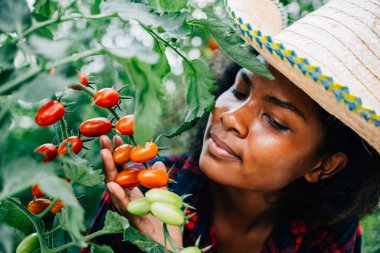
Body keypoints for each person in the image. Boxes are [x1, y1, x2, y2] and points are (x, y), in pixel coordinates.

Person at [84, 0, 380, 252]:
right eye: (239, 91)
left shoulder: (329, 235)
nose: (230, 117)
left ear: (324, 165)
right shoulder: (143, 192)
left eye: (275, 121)